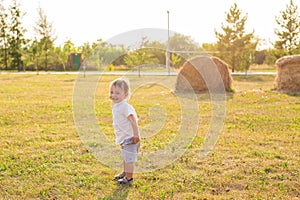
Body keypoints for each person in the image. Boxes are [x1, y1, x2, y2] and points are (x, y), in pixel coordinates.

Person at [109, 78, 140, 185]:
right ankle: (126, 172)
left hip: (130, 138)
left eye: (118, 93)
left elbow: (133, 121)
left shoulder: (125, 107)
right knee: (126, 157)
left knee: (129, 159)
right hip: (124, 137)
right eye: (112, 92)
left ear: (126, 95)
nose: (114, 95)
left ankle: (129, 178)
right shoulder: (117, 106)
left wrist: (135, 135)